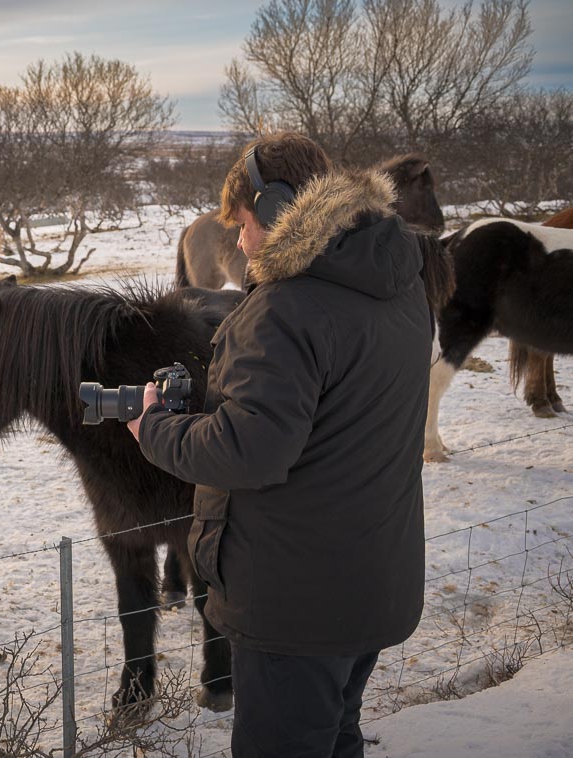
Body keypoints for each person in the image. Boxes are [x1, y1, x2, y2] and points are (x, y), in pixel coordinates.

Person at [127, 132, 429, 757]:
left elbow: (250, 452)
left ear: (275, 210)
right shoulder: (400, 286)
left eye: (241, 223)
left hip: (296, 605)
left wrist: (154, 427)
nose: (238, 242)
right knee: (335, 737)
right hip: (369, 580)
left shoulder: (287, 308)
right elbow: (337, 415)